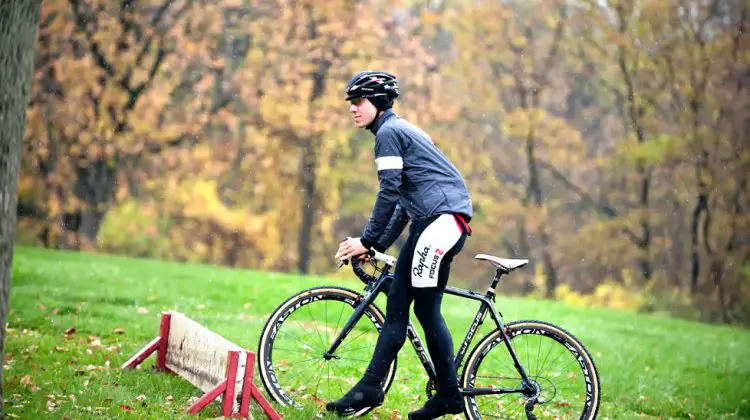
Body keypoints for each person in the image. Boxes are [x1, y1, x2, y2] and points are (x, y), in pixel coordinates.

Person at [329, 70, 474, 420]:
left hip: (439, 223)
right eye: (351, 102)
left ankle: (379, 386)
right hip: (437, 222)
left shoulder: (390, 134)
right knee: (414, 308)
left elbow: (389, 191)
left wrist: (366, 240)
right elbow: (402, 206)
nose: (353, 108)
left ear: (377, 103)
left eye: (359, 101)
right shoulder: (399, 129)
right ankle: (443, 395)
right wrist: (376, 245)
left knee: (410, 308)